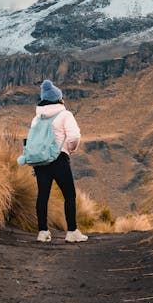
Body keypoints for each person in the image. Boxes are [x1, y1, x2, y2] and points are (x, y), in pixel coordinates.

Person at [29, 79, 87, 243]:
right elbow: (74, 136)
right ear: (58, 98)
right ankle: (72, 232)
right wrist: (70, 149)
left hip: (40, 160)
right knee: (69, 195)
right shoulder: (64, 114)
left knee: (43, 195)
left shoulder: (37, 118)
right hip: (59, 159)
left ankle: (43, 232)